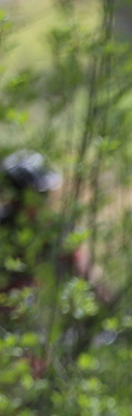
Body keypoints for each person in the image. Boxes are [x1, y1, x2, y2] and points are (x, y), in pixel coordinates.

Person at [2, 150, 112, 370]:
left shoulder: (52, 230)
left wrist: (110, 307)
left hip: (29, 319)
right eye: (39, 194)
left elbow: (83, 270)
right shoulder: (5, 227)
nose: (45, 201)